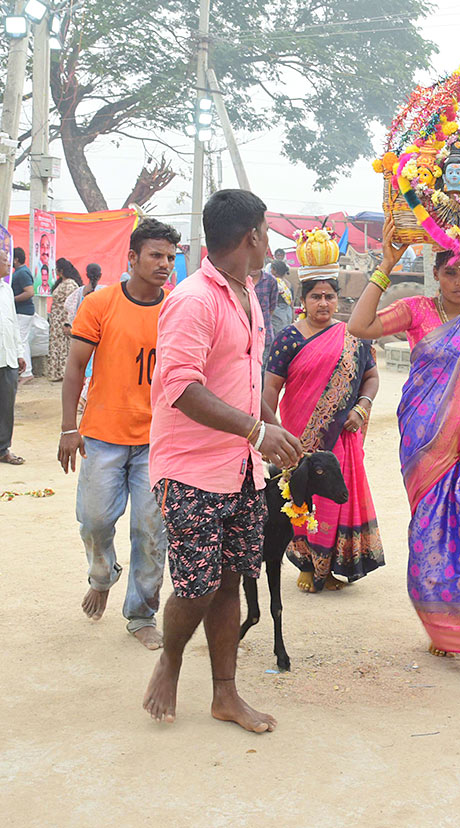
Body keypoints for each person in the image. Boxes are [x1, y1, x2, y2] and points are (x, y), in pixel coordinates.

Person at [142, 189, 302, 732]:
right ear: (252, 235)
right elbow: (181, 387)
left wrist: (270, 424)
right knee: (197, 584)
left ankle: (225, 695)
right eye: (266, 231)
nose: (269, 241)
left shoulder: (250, 292)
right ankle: (171, 657)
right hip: (190, 468)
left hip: (242, 466)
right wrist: (257, 429)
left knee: (232, 577)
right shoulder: (194, 299)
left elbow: (244, 377)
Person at [348, 222, 460, 685]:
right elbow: (359, 325)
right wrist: (386, 265)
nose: (459, 282)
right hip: (427, 453)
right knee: (435, 541)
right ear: (436, 274)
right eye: (451, 273)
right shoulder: (416, 311)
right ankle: (451, 627)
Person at [58, 220, 180, 649]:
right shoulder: (100, 304)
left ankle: (142, 614)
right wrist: (69, 428)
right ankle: (101, 574)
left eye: (170, 256)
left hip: (158, 441)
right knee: (94, 521)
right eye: (155, 255)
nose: (165, 264)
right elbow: (75, 367)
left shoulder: (177, 308)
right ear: (131, 258)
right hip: (102, 435)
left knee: (151, 530)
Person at [262, 266, 384, 592]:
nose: (323, 303)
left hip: (341, 440)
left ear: (337, 299)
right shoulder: (287, 338)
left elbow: (371, 378)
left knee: (333, 501)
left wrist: (361, 407)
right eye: (316, 296)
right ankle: (306, 564)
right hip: (298, 439)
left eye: (329, 296)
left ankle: (328, 568)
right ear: (303, 300)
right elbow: (270, 390)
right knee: (300, 498)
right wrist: (270, 433)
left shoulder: (352, 336)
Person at [0, 245, 26, 465]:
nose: (9, 264)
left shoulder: (7, 289)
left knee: (6, 407)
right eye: (5, 261)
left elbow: (14, 324)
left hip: (7, 358)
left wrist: (19, 353)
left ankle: (3, 449)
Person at [47, 258, 83, 381]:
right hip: (56, 319)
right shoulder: (62, 282)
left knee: (63, 345)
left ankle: (63, 372)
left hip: (62, 319)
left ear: (61, 270)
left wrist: (68, 322)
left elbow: (71, 304)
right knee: (57, 344)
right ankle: (56, 372)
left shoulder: (70, 284)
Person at [10, 246, 34, 382]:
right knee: (22, 340)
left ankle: (27, 373)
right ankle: (25, 371)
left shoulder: (22, 273)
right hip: (23, 312)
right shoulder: (21, 272)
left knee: (21, 341)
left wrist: (11, 299)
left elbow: (29, 292)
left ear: (16, 259)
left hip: (23, 312)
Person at [252, 264, 281, 370]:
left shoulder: (270, 281)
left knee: (262, 368)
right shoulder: (239, 280)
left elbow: (272, 306)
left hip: (264, 335)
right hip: (244, 337)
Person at [268, 259, 294, 338]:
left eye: (271, 268)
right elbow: (292, 303)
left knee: (278, 336)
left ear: (275, 271)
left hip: (277, 312)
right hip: (287, 312)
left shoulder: (274, 283)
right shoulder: (288, 283)